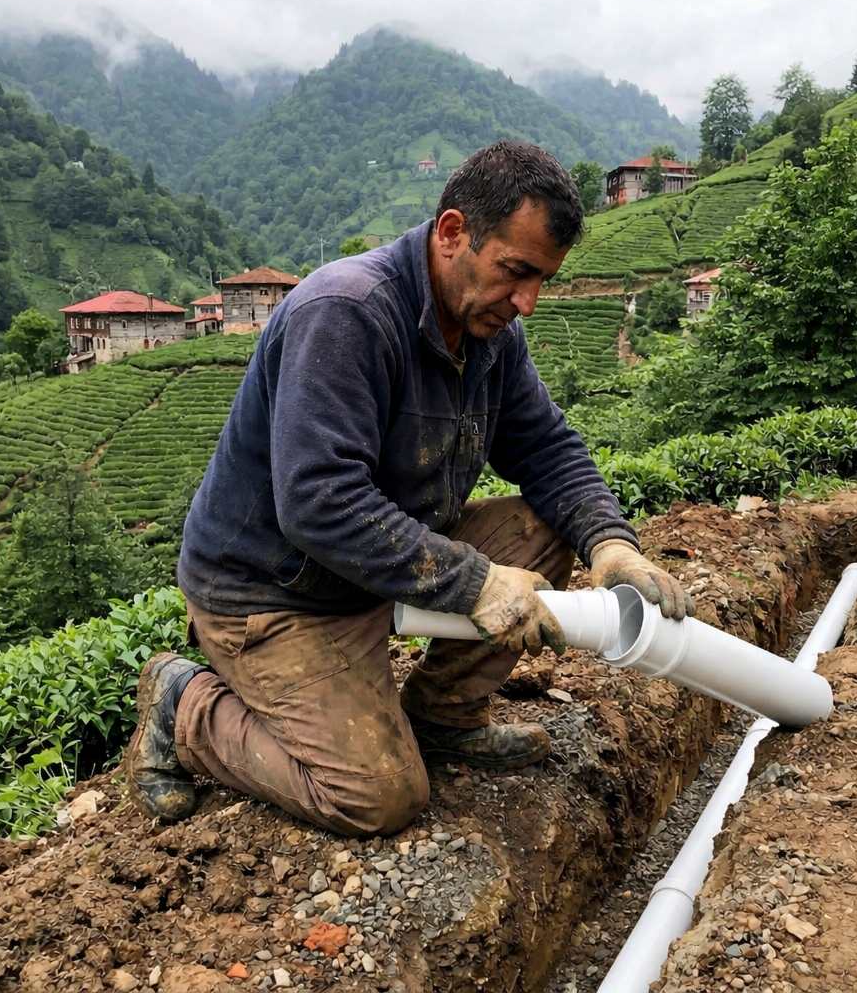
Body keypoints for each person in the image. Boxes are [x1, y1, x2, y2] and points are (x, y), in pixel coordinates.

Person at [124, 141, 693, 837]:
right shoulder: (346, 314)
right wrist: (476, 583)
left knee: (545, 528)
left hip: (373, 567)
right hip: (276, 592)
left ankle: (442, 716)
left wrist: (612, 547)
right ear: (453, 233)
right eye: (517, 273)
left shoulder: (489, 332)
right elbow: (317, 501)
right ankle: (185, 702)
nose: (530, 303)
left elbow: (545, 446)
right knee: (378, 798)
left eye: (542, 279)